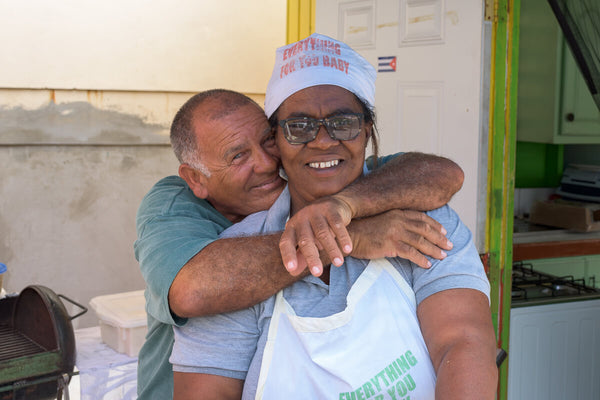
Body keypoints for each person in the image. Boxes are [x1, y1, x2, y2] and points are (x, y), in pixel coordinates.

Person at [170, 33, 498, 399]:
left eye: (343, 123)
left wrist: (342, 210)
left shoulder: (423, 220)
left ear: (367, 132)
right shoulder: (237, 261)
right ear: (276, 140)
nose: (323, 141)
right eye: (300, 126)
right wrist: (348, 236)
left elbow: (463, 343)